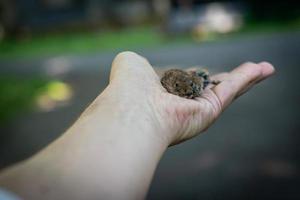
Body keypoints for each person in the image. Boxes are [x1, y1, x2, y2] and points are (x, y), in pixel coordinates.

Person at [0, 52, 275, 200]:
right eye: (188, 89)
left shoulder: (192, 82)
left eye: (194, 88)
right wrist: (139, 108)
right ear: (177, 86)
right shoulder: (172, 83)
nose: (193, 92)